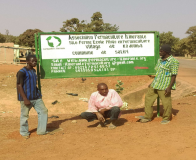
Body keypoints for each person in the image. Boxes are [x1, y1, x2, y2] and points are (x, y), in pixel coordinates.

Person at [137, 44, 179, 124]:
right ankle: (148, 116)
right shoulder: (160, 60)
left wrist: (169, 87)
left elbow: (174, 75)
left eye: (161, 51)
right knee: (148, 99)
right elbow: (158, 73)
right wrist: (152, 82)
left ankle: (167, 118)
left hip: (164, 85)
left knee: (166, 102)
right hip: (155, 84)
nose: (159, 52)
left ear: (166, 52)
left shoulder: (174, 62)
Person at [16, 55, 48, 139]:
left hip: (36, 97)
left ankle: (41, 131)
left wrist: (38, 94)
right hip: (26, 98)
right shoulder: (21, 72)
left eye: (35, 61)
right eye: (32, 61)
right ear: (27, 61)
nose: (34, 63)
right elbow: (19, 85)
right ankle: (24, 132)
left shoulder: (33, 71)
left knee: (43, 111)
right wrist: (25, 99)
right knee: (24, 115)